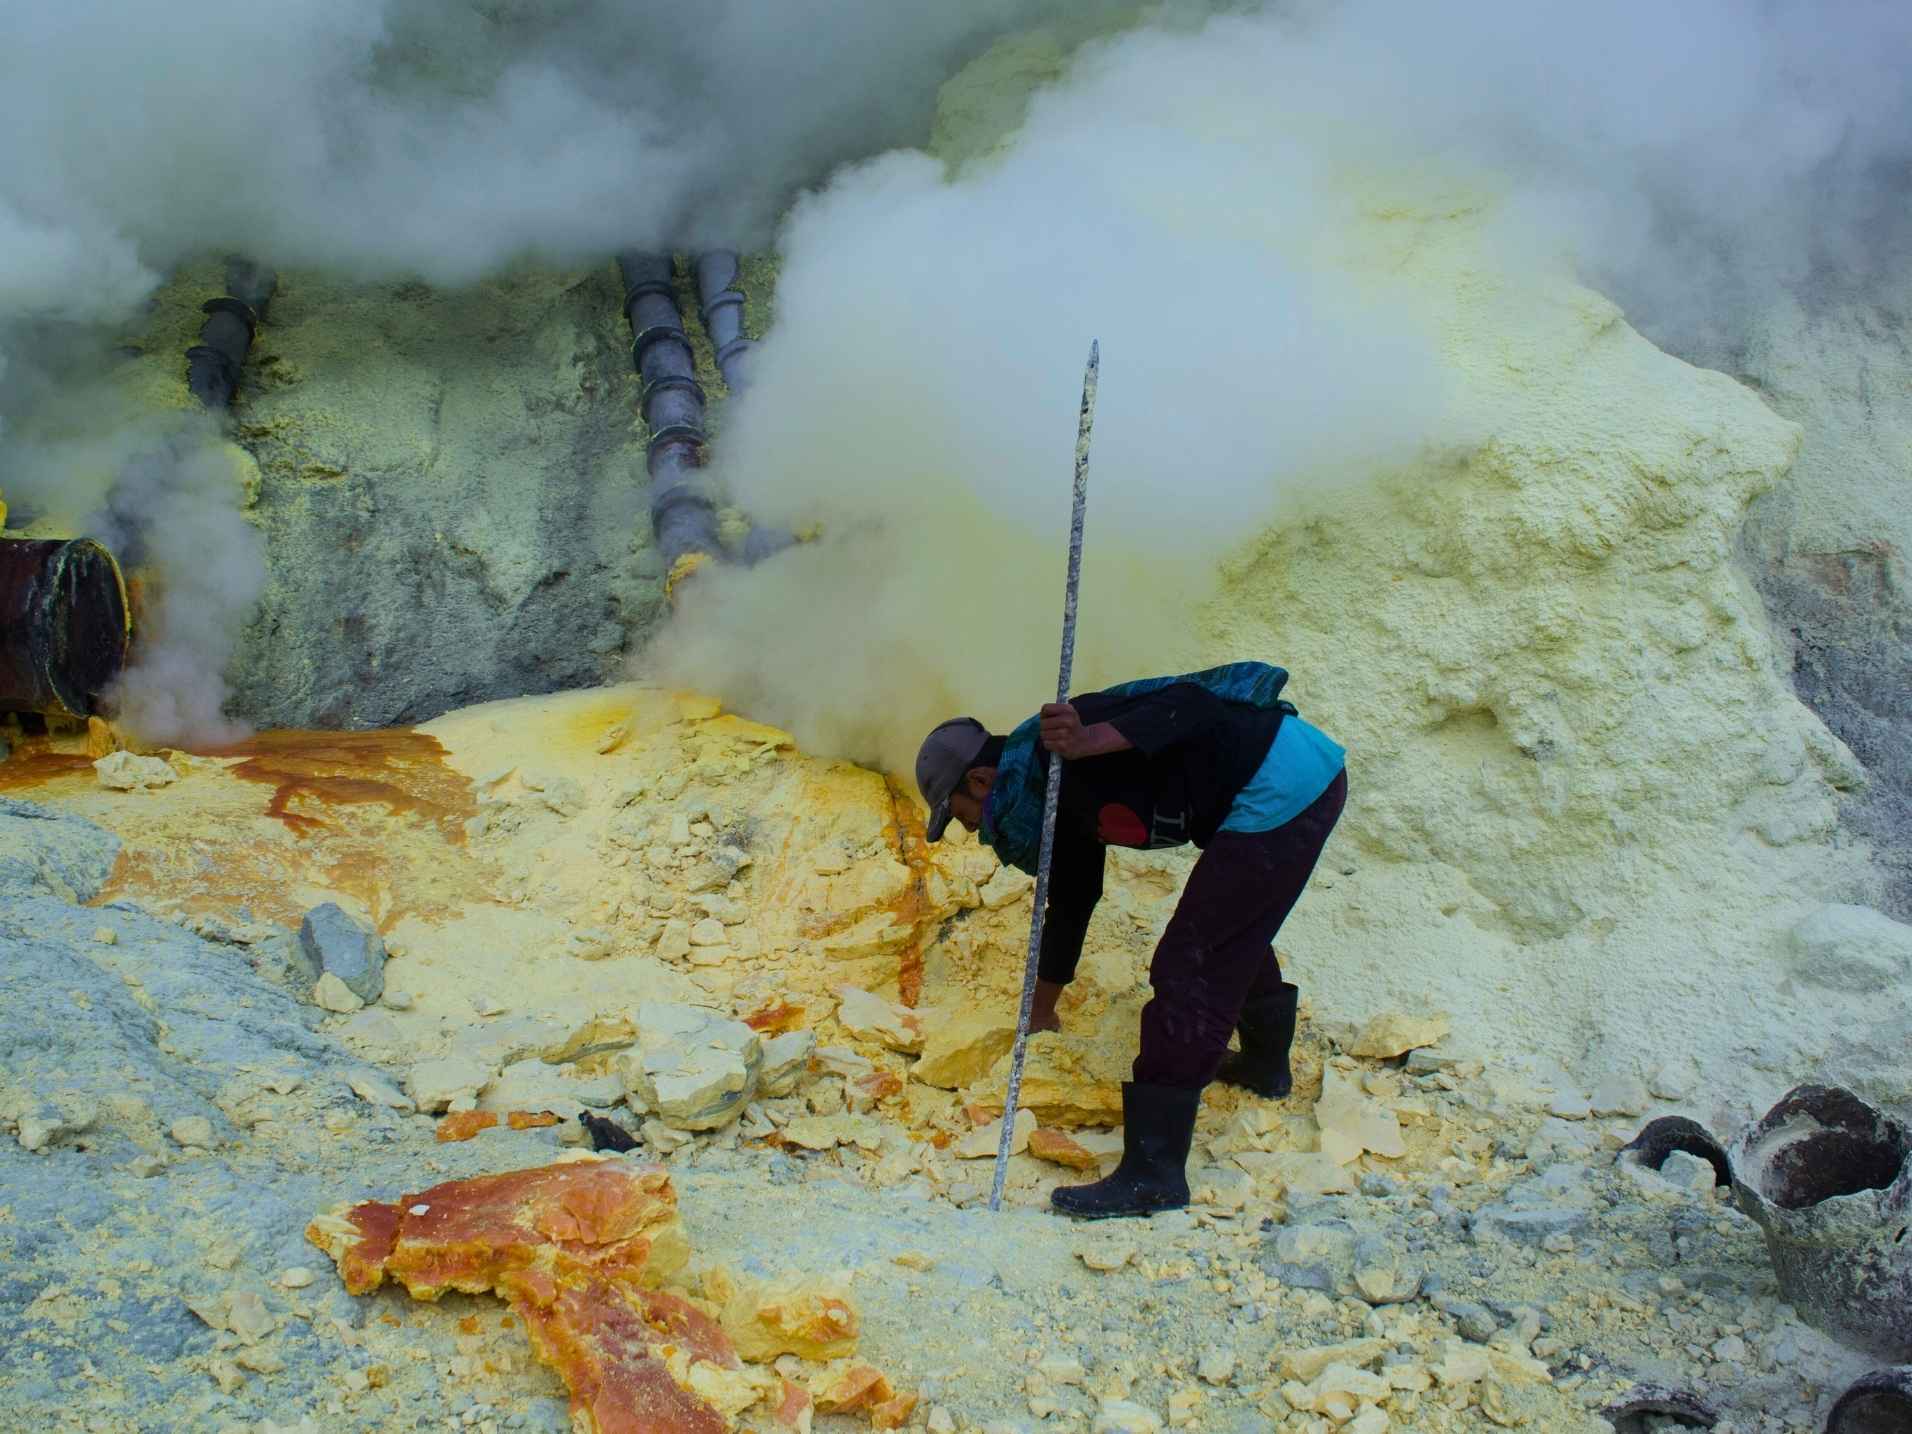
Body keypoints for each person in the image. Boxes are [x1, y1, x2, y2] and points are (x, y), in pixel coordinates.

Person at [914, 663, 1346, 1219]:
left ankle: (1153, 1174)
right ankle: (1264, 1068)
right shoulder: (1051, 803)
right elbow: (1072, 898)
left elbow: (1196, 704)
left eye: (960, 816)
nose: (970, 830)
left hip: (1283, 781)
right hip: (1268, 790)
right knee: (1224, 928)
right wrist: (1040, 1011)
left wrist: (1091, 739)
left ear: (979, 781)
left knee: (1188, 965)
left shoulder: (1061, 744)